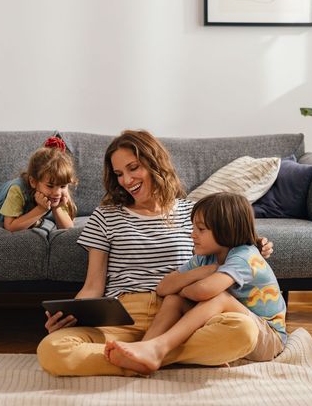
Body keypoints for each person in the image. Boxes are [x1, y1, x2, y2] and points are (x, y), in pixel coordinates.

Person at [37, 129, 274, 376]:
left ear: (155, 163)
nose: (126, 180)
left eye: (133, 168)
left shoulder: (193, 213)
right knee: (52, 349)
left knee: (244, 330)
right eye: (119, 173)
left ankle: (146, 354)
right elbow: (94, 284)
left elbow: (226, 252)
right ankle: (163, 357)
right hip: (123, 315)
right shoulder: (105, 215)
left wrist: (254, 246)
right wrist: (73, 314)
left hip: (181, 315)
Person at [104, 192, 287, 375]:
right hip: (232, 323)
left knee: (219, 298)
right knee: (173, 300)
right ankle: (145, 348)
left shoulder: (245, 256)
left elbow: (204, 291)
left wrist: (186, 287)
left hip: (267, 337)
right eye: (193, 228)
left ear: (226, 229)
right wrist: (205, 271)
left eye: (201, 229)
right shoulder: (205, 259)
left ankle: (160, 348)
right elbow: (164, 287)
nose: (193, 235)